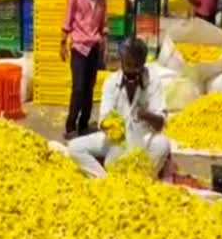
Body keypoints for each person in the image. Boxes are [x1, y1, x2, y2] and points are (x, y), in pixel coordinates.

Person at [68, 39, 170, 178]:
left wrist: (146, 115)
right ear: (121, 62)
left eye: (137, 66)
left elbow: (160, 124)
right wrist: (110, 125)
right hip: (117, 140)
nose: (133, 70)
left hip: (142, 138)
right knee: (75, 147)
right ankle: (104, 179)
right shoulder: (111, 82)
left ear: (143, 63)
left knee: (162, 145)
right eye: (128, 65)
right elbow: (103, 118)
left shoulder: (153, 82)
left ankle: (143, 178)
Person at [60, 0, 107, 139]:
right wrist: (62, 42)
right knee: (78, 88)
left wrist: (105, 44)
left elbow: (104, 21)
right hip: (79, 46)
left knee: (89, 88)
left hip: (94, 46)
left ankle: (84, 125)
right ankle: (70, 126)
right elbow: (68, 18)